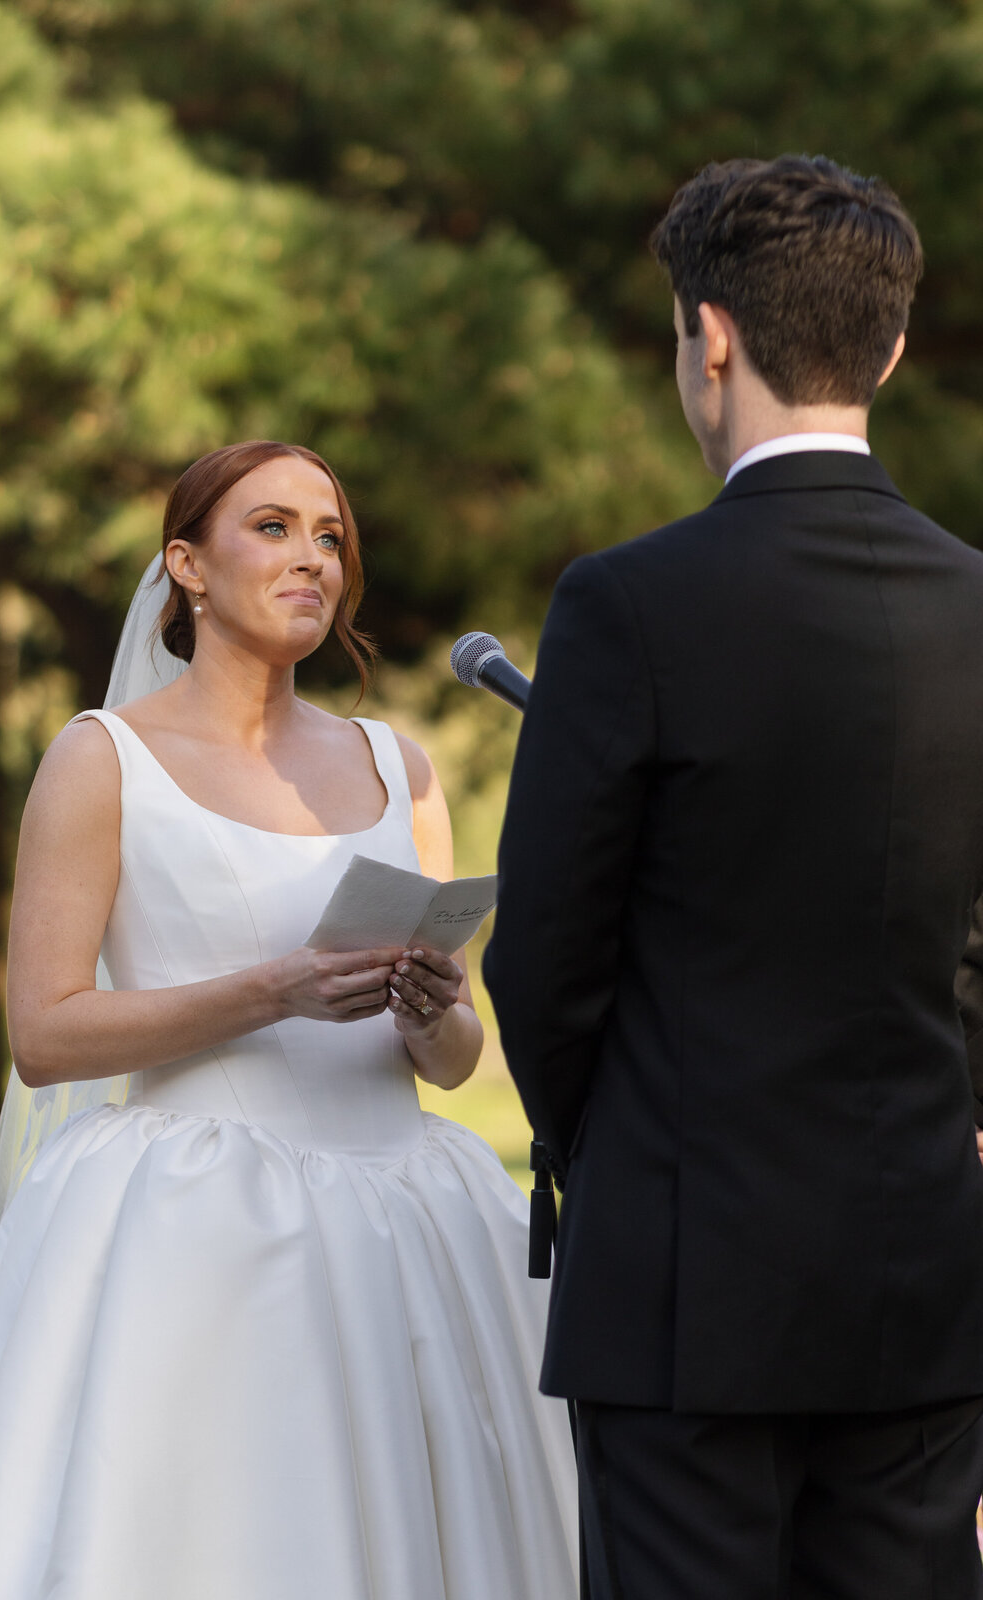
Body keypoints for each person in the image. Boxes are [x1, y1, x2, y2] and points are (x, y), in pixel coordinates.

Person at [0, 441, 577, 1598]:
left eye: (331, 534)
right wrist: (277, 987)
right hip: (195, 1227)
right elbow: (46, 1033)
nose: (313, 554)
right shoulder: (102, 760)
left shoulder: (399, 768)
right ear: (186, 566)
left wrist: (435, 1010)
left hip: (404, 1219)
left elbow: (456, 1066)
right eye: (272, 527)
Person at [484, 155, 983, 1600]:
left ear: (709, 337)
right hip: (923, 1268)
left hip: (684, 1275)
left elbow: (547, 960)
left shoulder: (627, 601)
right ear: (887, 347)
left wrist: (627, 1152)